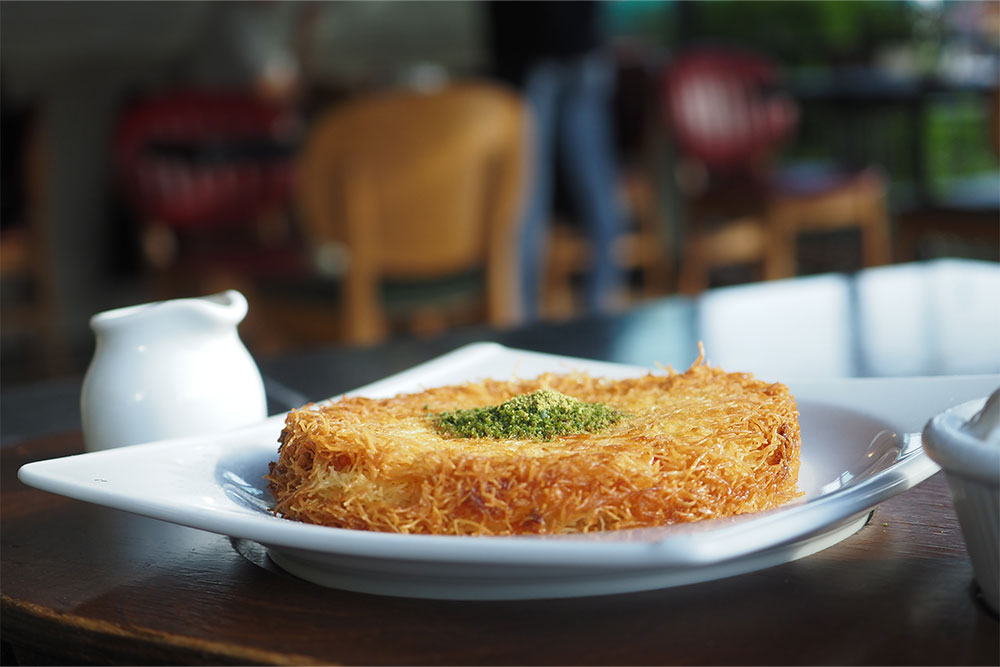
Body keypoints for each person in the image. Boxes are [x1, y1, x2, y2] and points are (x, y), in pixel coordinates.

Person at [487, 0, 627, 321]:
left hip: (531, 52)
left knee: (528, 194)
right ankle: (604, 303)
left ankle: (519, 317)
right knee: (595, 188)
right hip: (579, 45)